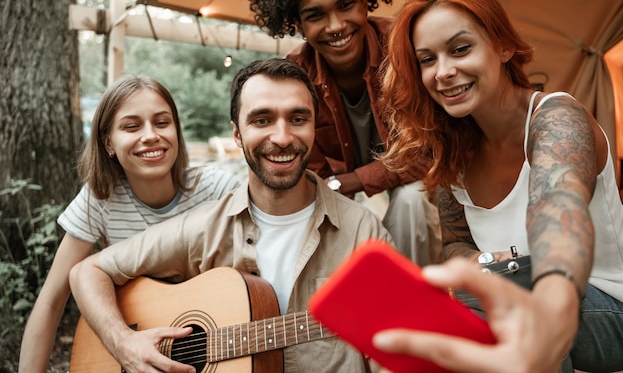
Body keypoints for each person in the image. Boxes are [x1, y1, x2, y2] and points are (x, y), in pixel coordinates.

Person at [68, 58, 393, 373]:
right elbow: (88, 272)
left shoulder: (362, 234)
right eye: (262, 120)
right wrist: (124, 343)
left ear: (313, 128)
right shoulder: (203, 228)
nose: (282, 138)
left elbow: (392, 352)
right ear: (237, 133)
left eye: (297, 119)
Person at [372, 0, 623, 372]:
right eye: (427, 59)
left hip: (611, 310)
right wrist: (488, 261)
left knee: (517, 300)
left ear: (504, 46)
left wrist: (545, 297)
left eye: (460, 49)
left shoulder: (556, 117)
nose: (443, 72)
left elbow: (558, 216)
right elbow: (456, 243)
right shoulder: (452, 152)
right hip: (517, 305)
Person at [18, 76, 240, 373]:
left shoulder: (219, 191)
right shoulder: (100, 200)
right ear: (108, 143)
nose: (150, 135)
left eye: (162, 123)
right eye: (131, 126)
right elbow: (50, 302)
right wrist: (121, 342)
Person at [249, 0, 440, 266]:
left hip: (423, 182)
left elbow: (429, 150)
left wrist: (350, 181)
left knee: (410, 201)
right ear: (299, 25)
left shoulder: (404, 46)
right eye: (315, 15)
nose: (336, 25)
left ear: (366, 1)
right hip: (350, 192)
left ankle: (414, 303)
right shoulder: (295, 78)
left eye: (346, 5)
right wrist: (338, 188)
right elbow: (313, 176)